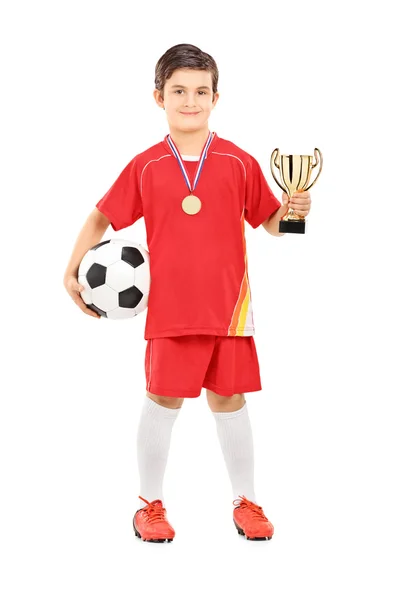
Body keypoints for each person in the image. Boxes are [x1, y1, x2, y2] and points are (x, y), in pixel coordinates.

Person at [63, 43, 312, 543]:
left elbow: (268, 222)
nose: (190, 100)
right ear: (159, 97)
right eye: (179, 91)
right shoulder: (147, 165)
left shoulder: (237, 161)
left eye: (201, 91)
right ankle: (148, 506)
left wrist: (294, 213)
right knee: (161, 401)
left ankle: (247, 500)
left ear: (216, 97)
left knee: (230, 399)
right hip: (172, 312)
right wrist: (70, 272)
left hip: (229, 311)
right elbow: (100, 216)